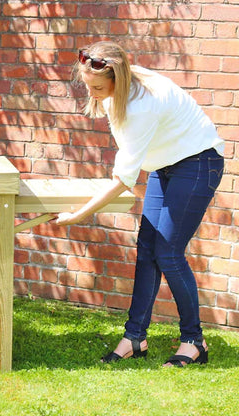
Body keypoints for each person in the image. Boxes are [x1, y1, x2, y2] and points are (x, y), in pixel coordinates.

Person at [55, 41, 224, 367]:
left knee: (168, 253)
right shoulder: (119, 91)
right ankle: (135, 337)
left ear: (118, 79)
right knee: (148, 249)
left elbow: (123, 180)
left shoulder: (140, 107)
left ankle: (194, 341)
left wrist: (79, 215)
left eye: (98, 87)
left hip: (199, 163)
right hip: (166, 163)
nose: (92, 93)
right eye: (88, 85)